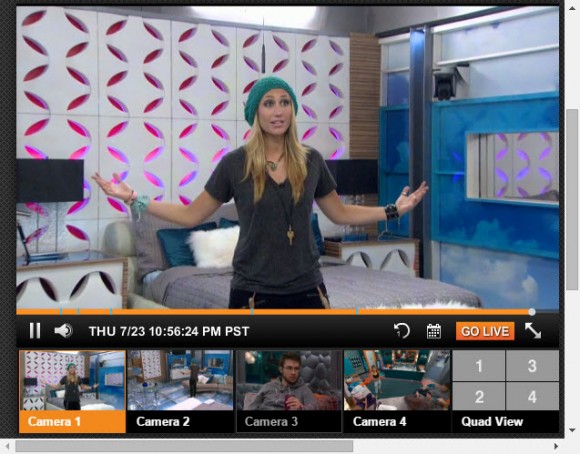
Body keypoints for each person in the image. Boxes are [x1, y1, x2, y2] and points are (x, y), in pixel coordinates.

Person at [92, 76, 428, 309]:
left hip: (308, 288)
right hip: (253, 292)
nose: (278, 111)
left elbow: (340, 213)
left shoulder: (311, 160)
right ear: (256, 112)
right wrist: (135, 198)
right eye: (268, 103)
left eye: (284, 102)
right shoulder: (235, 164)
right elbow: (191, 215)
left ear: (293, 110)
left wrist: (392, 210)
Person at [246, 352, 317, 410]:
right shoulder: (268, 386)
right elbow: (251, 407)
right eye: (289, 368)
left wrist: (301, 407)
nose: (293, 372)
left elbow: (314, 408)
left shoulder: (304, 390)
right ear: (281, 369)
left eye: (296, 369)